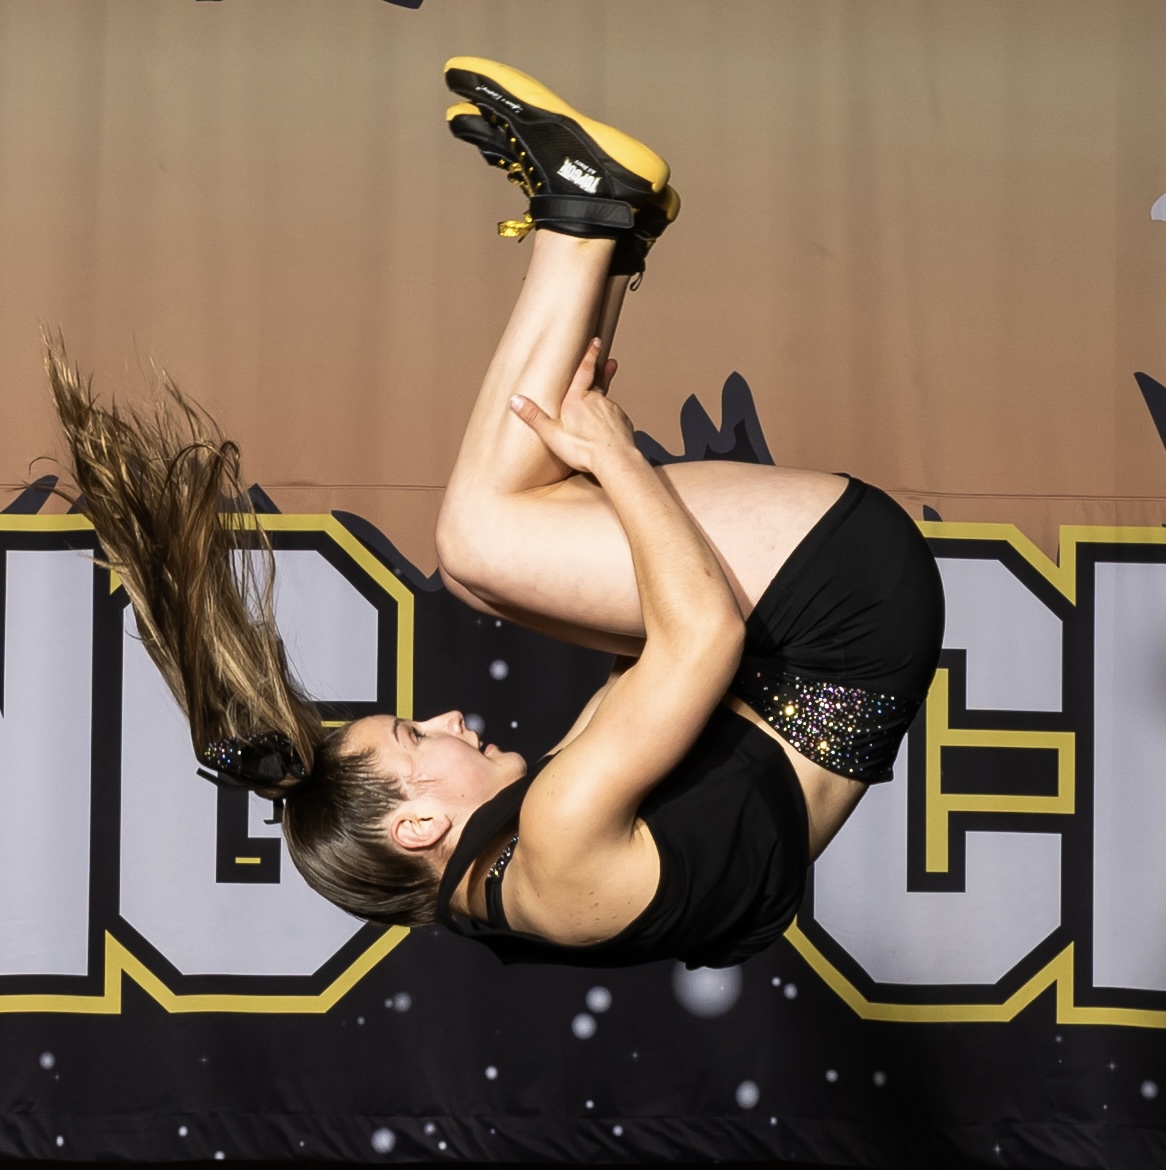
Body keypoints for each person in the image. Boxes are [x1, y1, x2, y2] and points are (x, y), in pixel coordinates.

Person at [46, 58, 944, 970]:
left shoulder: (516, 883)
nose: (442, 717)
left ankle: (607, 229)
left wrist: (595, 399)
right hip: (843, 613)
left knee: (483, 568)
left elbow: (655, 664)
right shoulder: (555, 836)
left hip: (811, 649)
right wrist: (618, 460)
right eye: (414, 738)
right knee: (481, 541)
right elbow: (700, 637)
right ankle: (584, 212)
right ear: (420, 821)